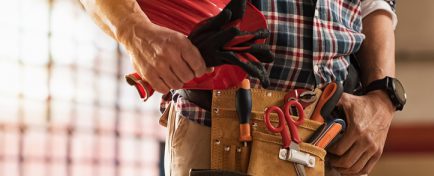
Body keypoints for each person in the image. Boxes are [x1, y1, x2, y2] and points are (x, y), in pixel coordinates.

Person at [80, 0, 403, 175]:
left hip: (332, 139)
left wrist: (383, 95)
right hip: (215, 129)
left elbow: (376, 4)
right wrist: (133, 30)